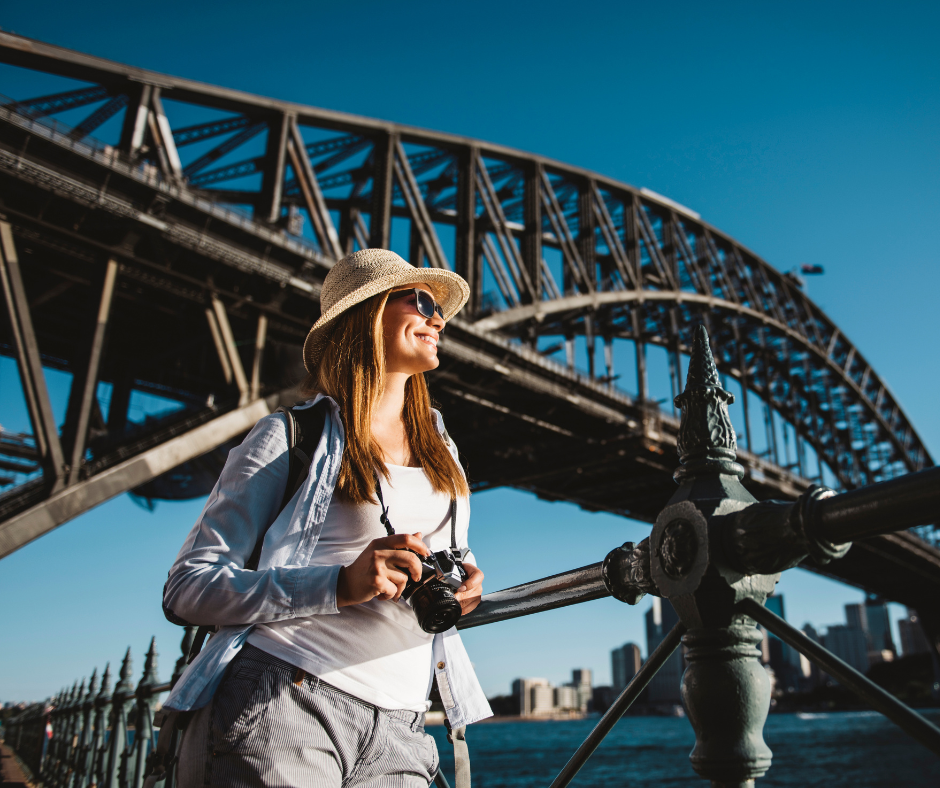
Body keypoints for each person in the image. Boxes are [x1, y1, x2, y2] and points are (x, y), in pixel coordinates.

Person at [161, 249, 492, 788]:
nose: (437, 318)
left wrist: (465, 584)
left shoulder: (442, 450)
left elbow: (447, 552)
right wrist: (340, 584)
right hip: (290, 695)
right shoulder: (288, 438)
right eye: (419, 300)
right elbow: (187, 588)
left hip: (404, 724)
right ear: (364, 315)